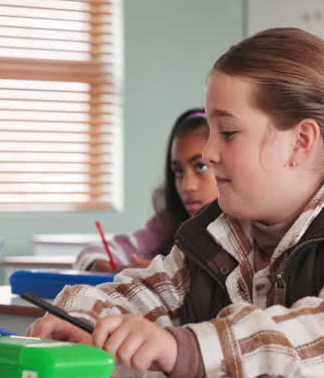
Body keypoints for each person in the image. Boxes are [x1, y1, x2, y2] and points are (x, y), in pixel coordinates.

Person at [30, 28, 324, 378]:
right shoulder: (220, 233)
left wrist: (191, 348)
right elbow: (141, 294)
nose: (210, 152)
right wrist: (80, 319)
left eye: (228, 133)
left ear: (301, 142)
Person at [75, 108, 218, 272]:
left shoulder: (246, 229)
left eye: (200, 166)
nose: (187, 186)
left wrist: (169, 273)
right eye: (178, 171)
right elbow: (90, 254)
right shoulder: (165, 226)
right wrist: (100, 267)